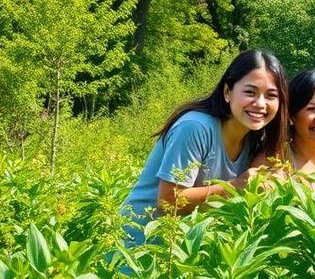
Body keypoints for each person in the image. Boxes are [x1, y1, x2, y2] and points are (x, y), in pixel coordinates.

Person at [121, 49, 289, 245]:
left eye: (271, 95)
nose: (260, 103)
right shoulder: (195, 127)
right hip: (137, 249)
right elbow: (168, 202)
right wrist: (236, 187)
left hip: (185, 251)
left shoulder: (256, 138)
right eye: (250, 92)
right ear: (227, 92)